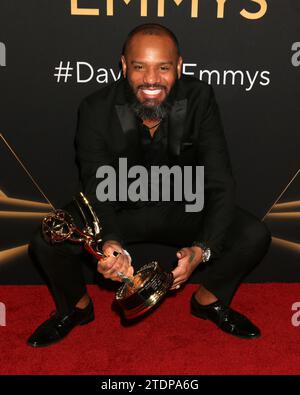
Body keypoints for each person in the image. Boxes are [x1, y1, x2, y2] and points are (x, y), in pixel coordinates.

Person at [27, 23, 271, 347]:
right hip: (119, 207)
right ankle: (75, 308)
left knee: (253, 235)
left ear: (179, 67)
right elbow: (97, 185)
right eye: (140, 67)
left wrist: (202, 249)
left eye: (163, 67)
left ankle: (209, 300)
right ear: (124, 66)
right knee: (47, 240)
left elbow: (220, 181)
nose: (151, 79)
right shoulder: (95, 109)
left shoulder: (199, 99)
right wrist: (110, 241)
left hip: (182, 206)